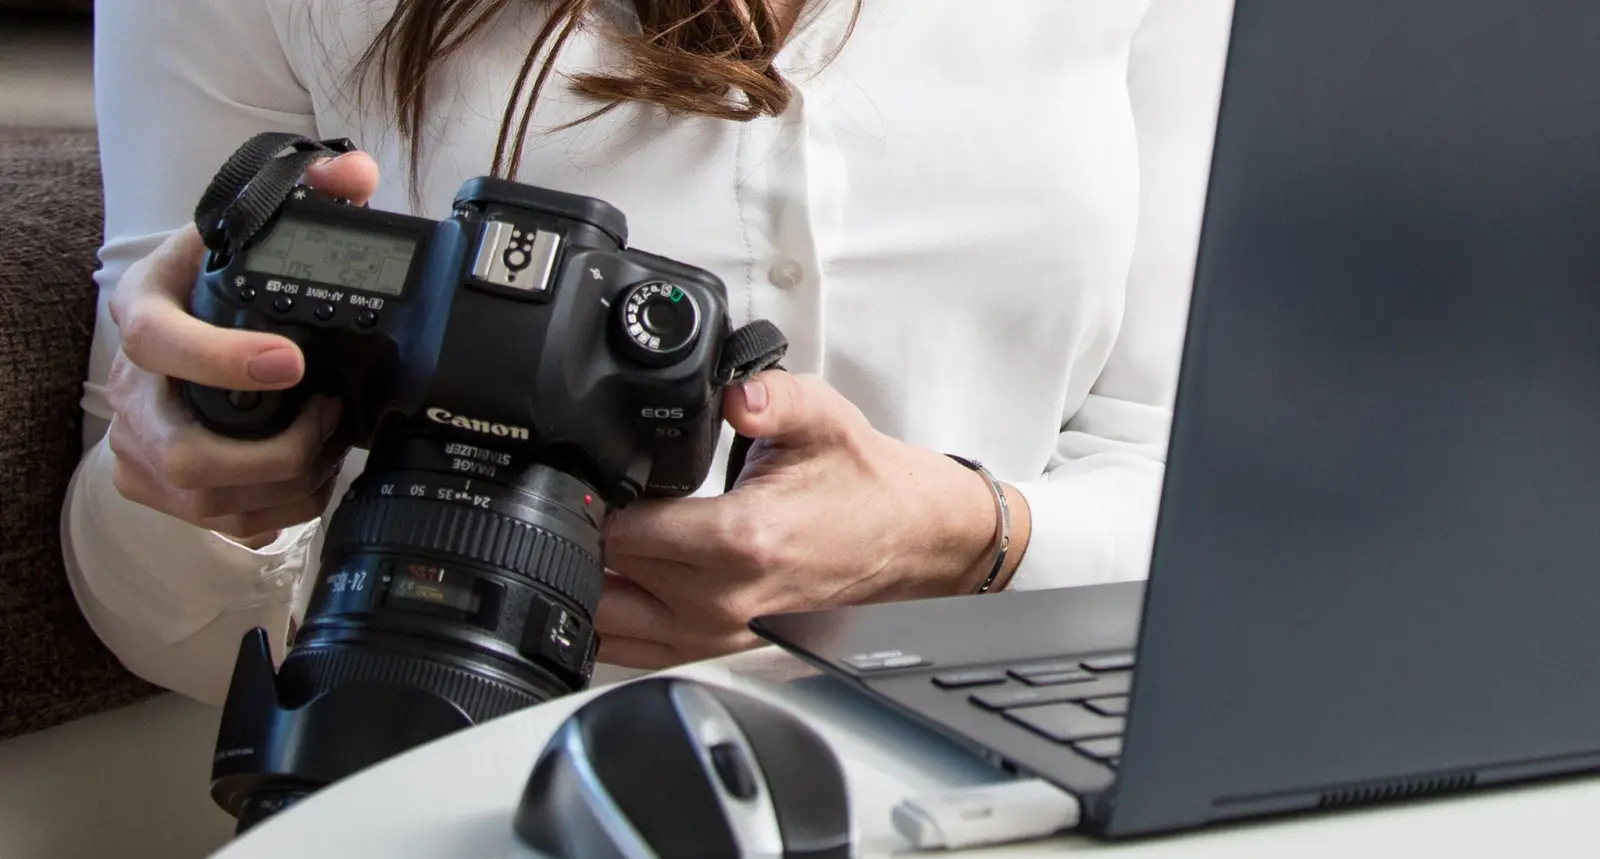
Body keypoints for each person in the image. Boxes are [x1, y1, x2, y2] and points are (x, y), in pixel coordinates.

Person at [64, 0, 1234, 705]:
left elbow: (1213, 489)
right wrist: (210, 489)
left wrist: (968, 537)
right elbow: (159, 621)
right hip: (458, 781)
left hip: (994, 795)